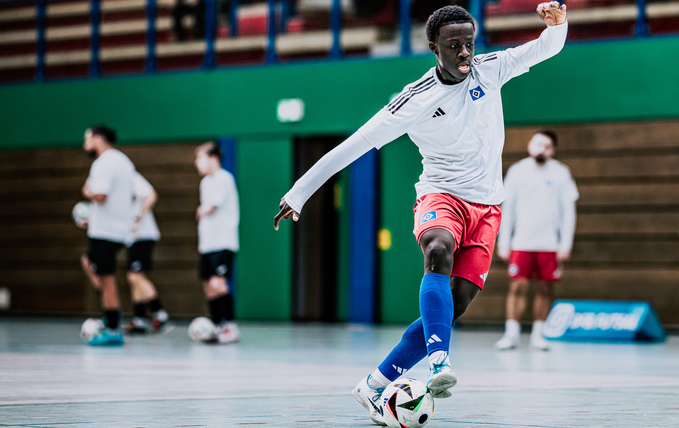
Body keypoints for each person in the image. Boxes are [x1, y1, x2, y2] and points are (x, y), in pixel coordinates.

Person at [273, 3, 567, 425]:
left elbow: (545, 48)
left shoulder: (492, 69)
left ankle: (374, 384)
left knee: (457, 303)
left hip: (487, 207)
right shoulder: (415, 100)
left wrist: (558, 25)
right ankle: (438, 363)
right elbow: (353, 145)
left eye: (469, 43)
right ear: (434, 48)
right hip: (440, 195)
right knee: (438, 249)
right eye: (454, 45)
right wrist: (299, 193)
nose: (465, 52)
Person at [494, 130, 578, 351]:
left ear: (553, 150)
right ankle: (511, 334)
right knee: (517, 286)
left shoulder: (561, 173)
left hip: (549, 244)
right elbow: (507, 209)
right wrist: (504, 242)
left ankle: (539, 334)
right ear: (530, 145)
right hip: (521, 242)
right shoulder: (517, 171)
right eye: (538, 144)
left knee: (545, 289)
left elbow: (567, 212)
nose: (542, 149)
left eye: (547, 146)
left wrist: (565, 244)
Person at [79, 125, 135, 346]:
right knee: (95, 266)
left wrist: (87, 192)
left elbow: (100, 195)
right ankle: (111, 316)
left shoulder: (103, 163)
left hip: (105, 231)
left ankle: (112, 327)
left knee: (106, 277)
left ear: (98, 138)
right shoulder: (123, 161)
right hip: (118, 228)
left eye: (87, 138)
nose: (85, 143)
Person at [194, 142, 241, 344]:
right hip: (207, 244)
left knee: (218, 283)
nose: (197, 163)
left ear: (213, 159)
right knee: (208, 286)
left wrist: (201, 210)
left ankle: (230, 326)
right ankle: (216, 325)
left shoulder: (224, 178)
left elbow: (210, 207)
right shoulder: (205, 183)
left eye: (200, 158)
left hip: (223, 242)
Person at [122, 172, 170, 334]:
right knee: (133, 277)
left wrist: (137, 217)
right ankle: (140, 318)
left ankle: (159, 312)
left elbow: (151, 195)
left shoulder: (130, 177)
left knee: (135, 276)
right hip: (132, 238)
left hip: (143, 235)